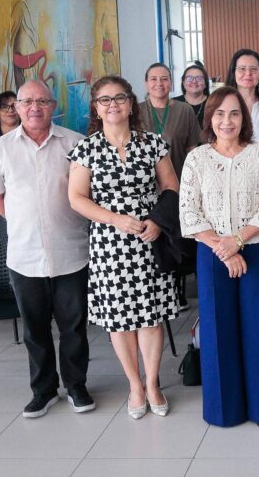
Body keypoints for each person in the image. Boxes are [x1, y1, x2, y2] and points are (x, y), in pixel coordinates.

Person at [180, 86, 259, 429]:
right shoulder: (197, 158)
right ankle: (225, 409)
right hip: (212, 254)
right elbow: (189, 212)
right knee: (218, 329)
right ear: (209, 119)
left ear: (243, 118)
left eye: (234, 113)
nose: (226, 120)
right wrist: (223, 248)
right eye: (219, 113)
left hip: (256, 252)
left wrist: (236, 242)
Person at [68, 75, 180, 419]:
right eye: (105, 100)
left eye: (119, 98)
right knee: (120, 321)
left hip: (150, 240)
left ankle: (153, 384)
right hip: (109, 244)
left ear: (131, 104)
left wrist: (158, 223)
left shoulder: (152, 143)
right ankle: (134, 385)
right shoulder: (87, 149)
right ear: (96, 108)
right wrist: (114, 219)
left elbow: (171, 187)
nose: (113, 104)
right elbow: (76, 198)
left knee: (150, 317)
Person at [0, 80, 92, 418]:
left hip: (71, 251)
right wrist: (18, 220)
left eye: (41, 101)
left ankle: (76, 385)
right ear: (16, 107)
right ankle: (43, 390)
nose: (34, 108)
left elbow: (87, 194)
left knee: (74, 326)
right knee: (35, 329)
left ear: (53, 105)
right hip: (24, 256)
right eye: (27, 101)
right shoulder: (0, 148)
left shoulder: (75, 143)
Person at [137, 63, 201, 180]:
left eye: (164, 79)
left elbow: (192, 150)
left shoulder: (184, 110)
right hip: (145, 185)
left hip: (179, 180)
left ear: (171, 83)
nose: (159, 83)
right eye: (153, 79)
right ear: (146, 83)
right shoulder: (135, 112)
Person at [174, 63, 210, 127]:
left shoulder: (214, 102)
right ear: (183, 83)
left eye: (199, 78)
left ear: (205, 83)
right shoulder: (173, 103)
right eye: (189, 78)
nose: (194, 81)